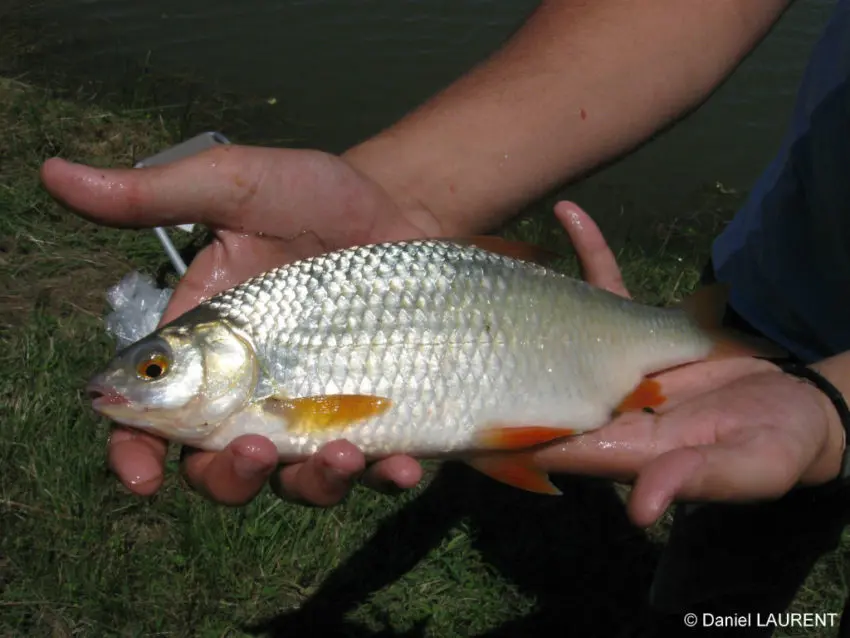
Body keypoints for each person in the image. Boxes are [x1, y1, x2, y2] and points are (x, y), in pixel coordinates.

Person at [40, 0, 850, 633]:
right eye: (155, 367)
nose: (135, 378)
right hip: (781, 276)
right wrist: (411, 192)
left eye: (153, 368)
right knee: (723, 561)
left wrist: (836, 399)